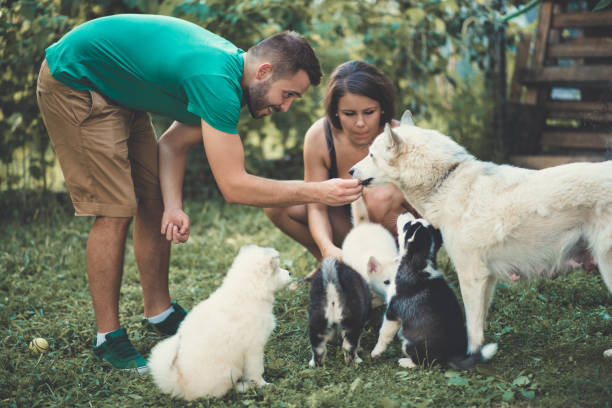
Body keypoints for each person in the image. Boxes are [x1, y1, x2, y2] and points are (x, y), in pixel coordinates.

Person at [36, 14, 362, 374]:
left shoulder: (230, 79)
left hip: (114, 86)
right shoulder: (215, 80)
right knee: (116, 209)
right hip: (76, 80)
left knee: (153, 198)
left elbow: (172, 145)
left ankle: (158, 312)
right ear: (264, 71)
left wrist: (172, 207)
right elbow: (234, 186)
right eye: (288, 95)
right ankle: (107, 337)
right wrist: (319, 191)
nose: (284, 108)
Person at [264, 60, 414, 266]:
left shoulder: (401, 135)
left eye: (369, 112)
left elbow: (427, 203)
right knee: (278, 203)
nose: (360, 123)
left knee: (376, 194)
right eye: (349, 114)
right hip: (348, 225)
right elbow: (315, 206)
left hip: (397, 231)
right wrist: (327, 248)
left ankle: (405, 265)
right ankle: (332, 265)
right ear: (335, 111)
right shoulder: (320, 136)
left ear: (382, 109)